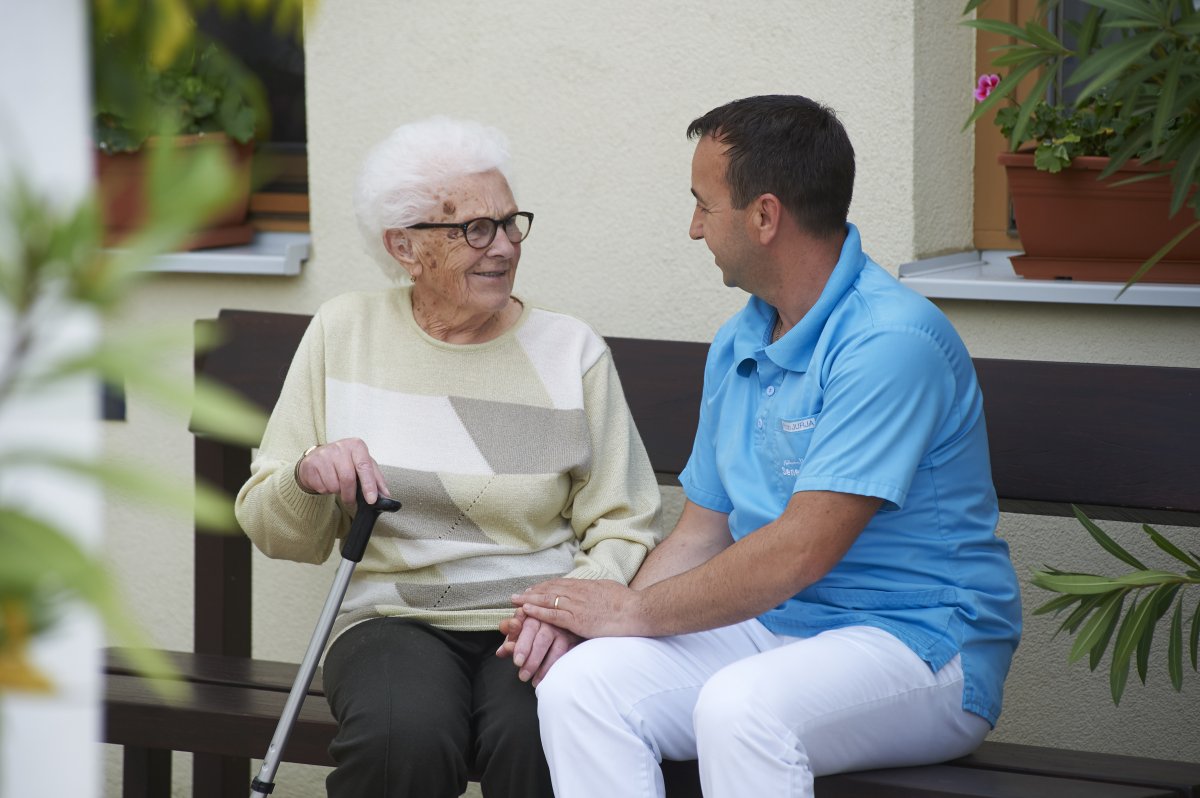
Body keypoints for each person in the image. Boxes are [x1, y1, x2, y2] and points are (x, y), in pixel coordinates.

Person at [505, 95, 1023, 797]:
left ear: (765, 216)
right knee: (581, 686)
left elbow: (802, 549)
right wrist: (597, 625)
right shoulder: (743, 339)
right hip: (777, 624)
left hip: (922, 642)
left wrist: (631, 613)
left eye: (703, 205)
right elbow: (701, 534)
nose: (694, 227)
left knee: (741, 709)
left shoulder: (889, 342)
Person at [235, 116, 663, 798]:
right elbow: (275, 529)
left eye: (510, 223)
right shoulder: (344, 331)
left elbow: (625, 519)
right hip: (390, 619)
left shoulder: (570, 351)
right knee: (401, 736)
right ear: (404, 246)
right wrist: (307, 475)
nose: (505, 246)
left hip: (532, 618)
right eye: (475, 229)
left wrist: (570, 610)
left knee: (542, 733)